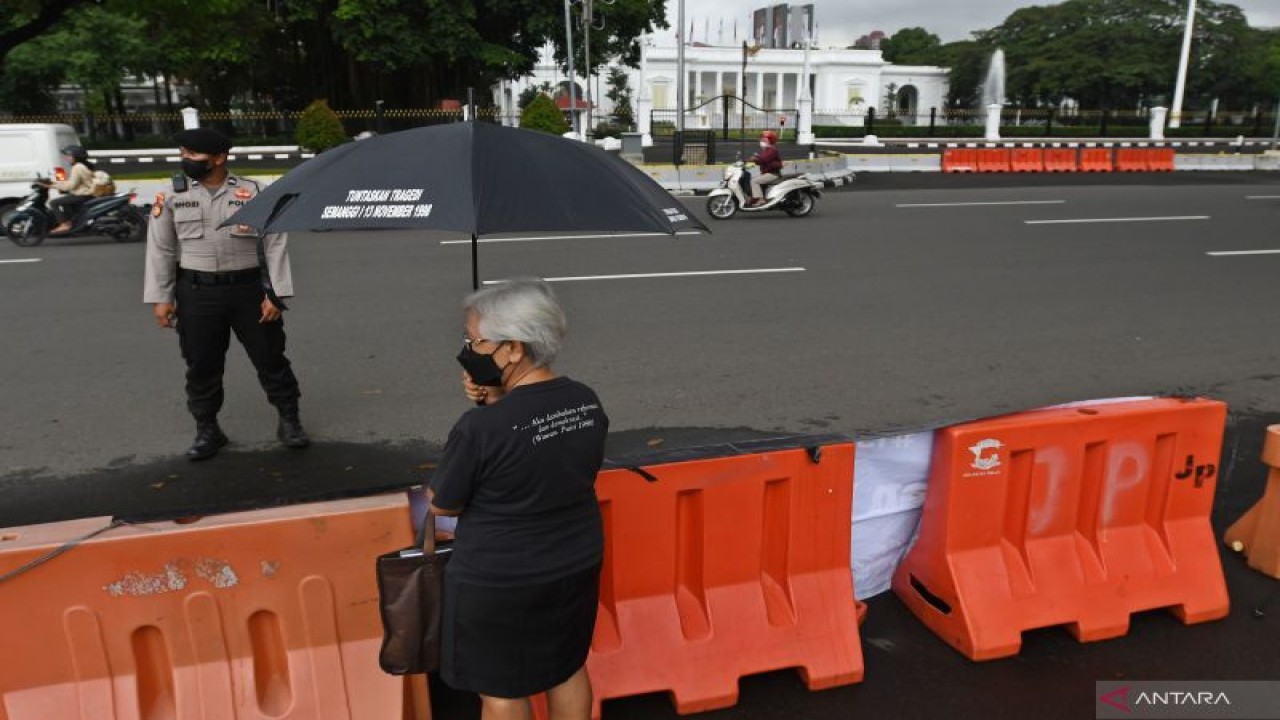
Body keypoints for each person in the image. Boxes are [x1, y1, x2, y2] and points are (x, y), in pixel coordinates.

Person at [429, 278, 609, 720]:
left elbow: (444, 504)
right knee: (566, 668)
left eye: (476, 341)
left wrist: (490, 411)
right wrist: (496, 399)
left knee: (501, 688)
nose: (469, 350)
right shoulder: (585, 402)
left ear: (513, 349)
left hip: (500, 577)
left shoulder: (480, 429)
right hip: (575, 561)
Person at [143, 127, 309, 460]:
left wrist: (275, 295)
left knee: (270, 358)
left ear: (219, 158)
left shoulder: (255, 191)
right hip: (197, 292)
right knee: (202, 363)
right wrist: (161, 297)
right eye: (183, 154)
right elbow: (160, 248)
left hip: (249, 291)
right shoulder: (170, 194)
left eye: (193, 154)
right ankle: (207, 429)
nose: (185, 160)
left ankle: (289, 420)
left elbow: (275, 242)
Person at [47, 145, 95, 233]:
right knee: (65, 201)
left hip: (83, 194)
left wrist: (52, 185)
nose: (66, 158)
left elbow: (71, 185)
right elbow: (72, 183)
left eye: (69, 156)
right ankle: (71, 222)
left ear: (75, 157)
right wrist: (57, 184)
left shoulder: (77, 167)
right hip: (84, 193)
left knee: (53, 202)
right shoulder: (81, 166)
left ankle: (64, 224)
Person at [748, 130, 783, 206]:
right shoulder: (766, 150)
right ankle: (754, 198)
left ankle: (761, 200)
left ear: (770, 140)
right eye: (762, 139)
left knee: (754, 181)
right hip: (767, 173)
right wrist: (752, 160)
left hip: (773, 174)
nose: (761, 141)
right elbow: (761, 160)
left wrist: (755, 158)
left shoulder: (772, 150)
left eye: (764, 139)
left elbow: (764, 159)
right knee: (753, 179)